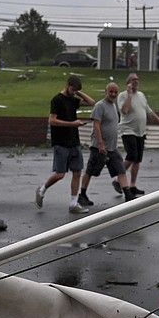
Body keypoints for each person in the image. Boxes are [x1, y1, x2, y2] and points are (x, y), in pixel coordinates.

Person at [35, 75, 95, 214]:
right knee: (60, 174)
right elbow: (52, 120)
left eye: (76, 90)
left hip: (74, 140)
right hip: (61, 141)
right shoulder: (57, 100)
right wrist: (72, 124)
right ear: (67, 85)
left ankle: (73, 203)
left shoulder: (73, 100)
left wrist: (78, 91)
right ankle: (42, 189)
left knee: (77, 171)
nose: (74, 92)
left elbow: (92, 102)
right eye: (72, 89)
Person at [80, 81, 137, 206]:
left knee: (121, 170)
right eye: (111, 91)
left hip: (112, 147)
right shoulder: (100, 106)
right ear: (106, 92)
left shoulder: (113, 106)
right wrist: (100, 143)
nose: (113, 94)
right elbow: (96, 124)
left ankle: (128, 194)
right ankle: (82, 194)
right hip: (99, 147)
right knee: (90, 171)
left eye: (115, 92)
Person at [112, 72, 159, 198]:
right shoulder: (123, 96)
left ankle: (132, 185)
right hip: (128, 130)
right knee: (131, 156)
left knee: (137, 160)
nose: (135, 82)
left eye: (137, 80)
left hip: (140, 131)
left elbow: (147, 109)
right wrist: (129, 95)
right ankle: (117, 180)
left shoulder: (141, 95)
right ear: (128, 83)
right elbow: (124, 110)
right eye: (133, 80)